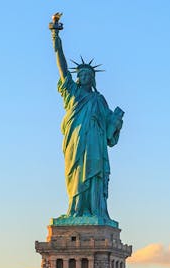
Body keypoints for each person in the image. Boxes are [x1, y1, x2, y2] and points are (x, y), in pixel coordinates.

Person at [51, 23, 124, 220]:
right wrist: (55, 38)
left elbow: (110, 130)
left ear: (92, 79)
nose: (83, 77)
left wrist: (116, 122)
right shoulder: (72, 93)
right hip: (75, 141)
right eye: (80, 74)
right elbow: (62, 68)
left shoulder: (98, 100)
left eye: (87, 75)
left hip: (95, 143)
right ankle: (75, 210)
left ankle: (94, 210)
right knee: (76, 173)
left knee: (94, 176)